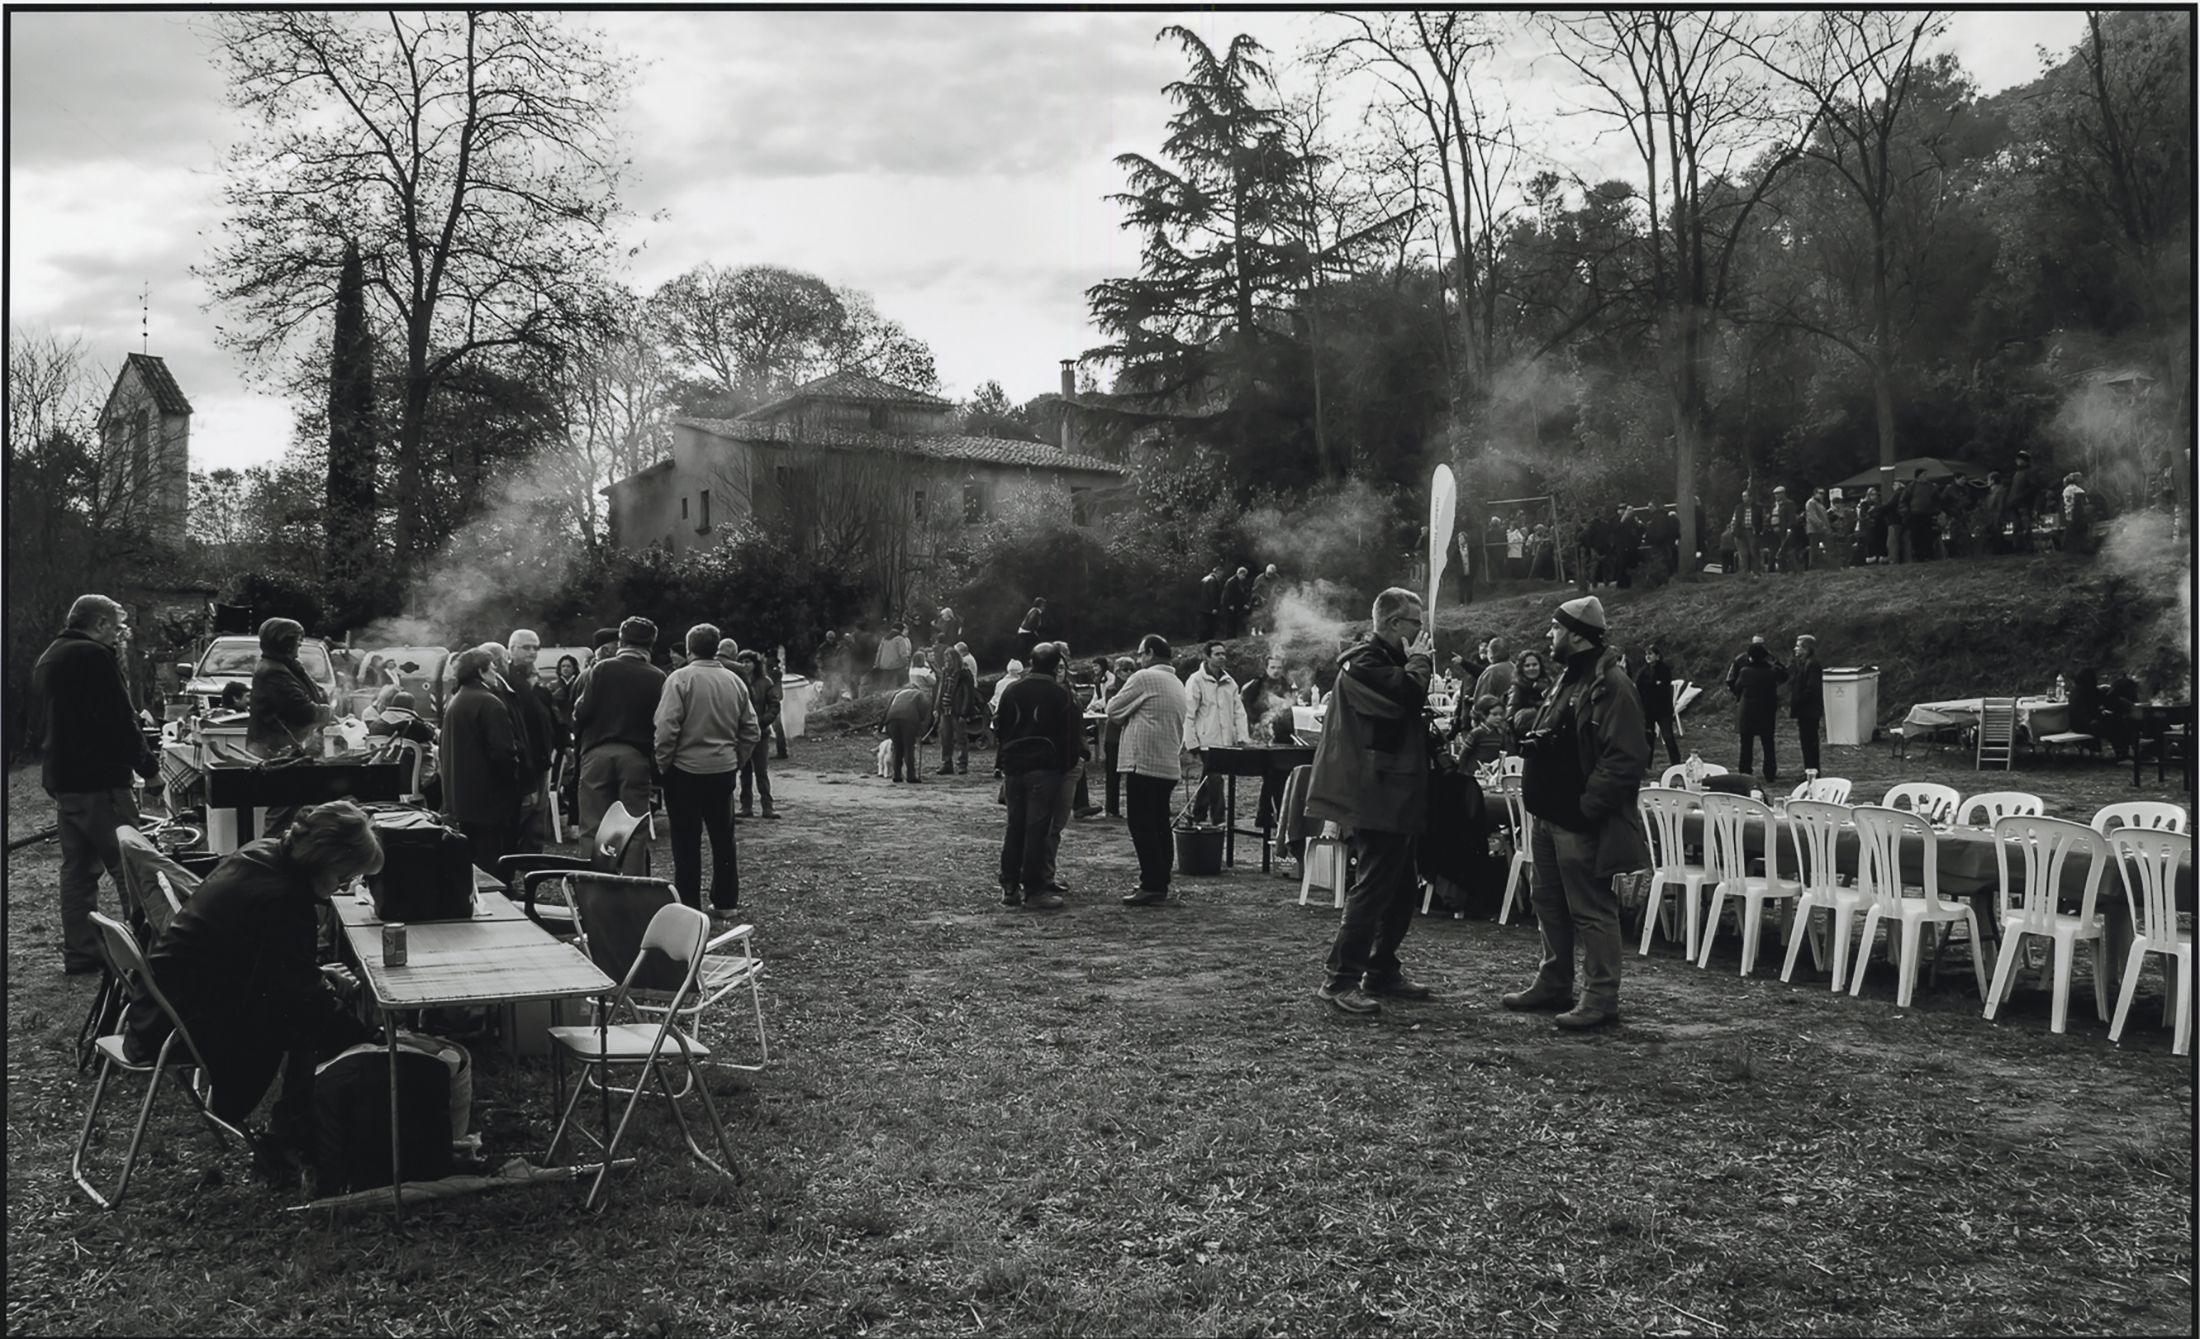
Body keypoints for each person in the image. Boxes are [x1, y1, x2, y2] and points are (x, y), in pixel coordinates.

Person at [122, 800, 383, 1166]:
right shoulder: (284, 900)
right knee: (314, 1024)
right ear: (327, 860)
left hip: (159, 1004)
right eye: (345, 876)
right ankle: (290, 1135)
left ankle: (293, 1128)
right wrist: (366, 1038)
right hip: (180, 1022)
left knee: (314, 1011)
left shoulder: (262, 853)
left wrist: (317, 976)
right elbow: (295, 995)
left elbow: (250, 958)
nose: (346, 886)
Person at [1500, 595, 1651, 1031]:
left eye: (1555, 628)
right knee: (1548, 902)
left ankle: (1601, 997)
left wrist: (1587, 807)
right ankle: (1554, 982)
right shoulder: (1569, 678)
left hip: (1578, 819)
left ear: (1577, 635)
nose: (1549, 635)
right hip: (1549, 816)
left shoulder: (1613, 685)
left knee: (1590, 908)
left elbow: (1626, 759)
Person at [1307, 587, 1436, 1016]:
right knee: (1373, 887)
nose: (1422, 633)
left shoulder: (1380, 661)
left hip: (1393, 789)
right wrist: (1421, 660)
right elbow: (1407, 695)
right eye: (1416, 624)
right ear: (1395, 624)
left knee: (1400, 889)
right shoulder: (1365, 664)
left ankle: (1381, 969)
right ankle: (1340, 979)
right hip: (1377, 791)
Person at [28, 594, 159, 974]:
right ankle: (146, 952)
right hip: (100, 779)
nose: (119, 636)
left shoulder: (51, 656)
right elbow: (119, 720)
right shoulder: (92, 656)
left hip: (65, 777)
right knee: (129, 865)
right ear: (99, 623)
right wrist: (149, 768)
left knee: (79, 870)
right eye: (116, 628)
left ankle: (83, 953)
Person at [654, 624, 759, 913]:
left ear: (689, 648)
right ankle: (726, 901)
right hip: (722, 769)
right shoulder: (734, 681)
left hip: (684, 771)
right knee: (723, 838)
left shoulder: (679, 679)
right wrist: (736, 760)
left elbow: (666, 727)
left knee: (686, 842)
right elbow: (751, 729)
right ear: (716, 648)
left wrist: (664, 763)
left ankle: (689, 905)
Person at [572, 617, 667, 864]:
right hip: (636, 756)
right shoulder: (658, 676)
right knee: (633, 825)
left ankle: (593, 886)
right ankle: (631, 887)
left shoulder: (601, 669)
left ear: (621, 641)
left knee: (593, 824)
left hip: (597, 752)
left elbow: (582, 712)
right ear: (651, 644)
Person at [995, 644, 1079, 910]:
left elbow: (1000, 727)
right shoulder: (1059, 693)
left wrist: (1006, 761)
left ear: (1031, 661)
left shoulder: (1012, 690)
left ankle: (1009, 886)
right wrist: (1065, 765)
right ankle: (1034, 890)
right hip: (1045, 768)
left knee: (1014, 826)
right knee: (1037, 829)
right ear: (1056, 666)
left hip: (1015, 767)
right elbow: (1069, 734)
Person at [1106, 635, 1188, 904]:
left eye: (1141, 654)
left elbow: (1113, 709)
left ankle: (1151, 883)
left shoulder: (1144, 678)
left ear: (1150, 654)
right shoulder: (1177, 682)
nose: (1139, 659)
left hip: (1143, 762)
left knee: (1142, 825)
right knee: (1160, 824)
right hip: (1167, 764)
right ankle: (1160, 880)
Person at [440, 647, 526, 872]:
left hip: (462, 798)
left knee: (474, 862)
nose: (496, 673)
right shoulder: (489, 702)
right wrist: (514, 782)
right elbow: (503, 752)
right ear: (481, 671)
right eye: (493, 668)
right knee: (492, 862)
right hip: (488, 800)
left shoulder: (457, 700)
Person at [1183, 642, 1251, 825]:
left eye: (1223, 654)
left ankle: (1198, 814)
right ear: (1207, 657)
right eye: (1217, 654)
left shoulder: (1230, 682)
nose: (1222, 657)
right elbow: (1188, 712)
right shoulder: (1196, 680)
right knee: (1215, 778)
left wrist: (1243, 737)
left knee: (1209, 777)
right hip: (1205, 739)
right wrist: (1191, 741)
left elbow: (1239, 712)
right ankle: (1219, 817)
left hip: (1225, 740)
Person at [247, 617, 332, 758]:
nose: (300, 644)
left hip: (280, 748)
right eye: (297, 640)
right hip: (274, 751)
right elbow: (303, 711)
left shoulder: (285, 666)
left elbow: (317, 693)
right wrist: (329, 712)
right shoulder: (273, 672)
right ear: (285, 642)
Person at [505, 630, 556, 854]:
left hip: (541, 755)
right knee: (523, 810)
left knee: (538, 813)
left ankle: (531, 860)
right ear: (512, 649)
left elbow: (549, 712)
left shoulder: (535, 679)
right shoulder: (507, 679)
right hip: (523, 755)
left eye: (536, 647)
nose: (533, 652)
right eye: (527, 647)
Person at [1726, 635, 1789, 782]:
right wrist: (1774, 661)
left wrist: (1740, 696)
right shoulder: (1771, 671)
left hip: (1747, 709)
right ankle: (1770, 772)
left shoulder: (1745, 671)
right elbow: (1784, 676)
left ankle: (1745, 772)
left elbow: (1736, 686)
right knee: (1768, 743)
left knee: (1746, 744)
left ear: (1750, 657)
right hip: (1766, 709)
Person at [732, 647, 780, 819]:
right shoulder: (736, 681)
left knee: (761, 771)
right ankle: (746, 807)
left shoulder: (765, 682)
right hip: (742, 732)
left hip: (761, 732)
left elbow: (774, 705)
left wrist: (762, 721)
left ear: (755, 664)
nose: (745, 665)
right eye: (742, 662)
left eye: (748, 662)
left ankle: (768, 807)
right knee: (744, 771)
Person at [1100, 655, 1138, 816]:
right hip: (1114, 736)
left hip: (1130, 736)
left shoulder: (1137, 687)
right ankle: (1111, 808)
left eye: (1131, 669)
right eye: (1125, 669)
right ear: (1117, 671)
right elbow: (1115, 710)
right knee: (1112, 774)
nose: (1128, 673)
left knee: (1133, 775)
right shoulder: (1112, 688)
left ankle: (1133, 808)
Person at [1635, 642, 1682, 767]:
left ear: (1657, 656)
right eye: (1646, 654)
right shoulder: (1643, 671)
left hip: (1663, 710)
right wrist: (1653, 685)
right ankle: (1646, 765)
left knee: (1668, 737)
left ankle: (1676, 764)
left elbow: (1662, 687)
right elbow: (1639, 687)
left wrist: (1652, 686)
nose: (1648, 657)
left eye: (1650, 654)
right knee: (1648, 738)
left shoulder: (1664, 669)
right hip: (1648, 710)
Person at [932, 647, 976, 776]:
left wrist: (964, 713)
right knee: (945, 738)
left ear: (955, 659)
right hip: (944, 710)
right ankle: (946, 764)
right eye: (946, 659)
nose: (947, 662)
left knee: (961, 738)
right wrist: (936, 707)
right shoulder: (945, 672)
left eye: (949, 660)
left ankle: (962, 764)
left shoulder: (964, 673)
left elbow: (968, 694)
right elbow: (940, 690)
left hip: (957, 711)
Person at [880, 677, 932, 784]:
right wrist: (922, 729)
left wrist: (881, 727)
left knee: (897, 748)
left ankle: (897, 775)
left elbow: (887, 710)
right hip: (908, 721)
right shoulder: (919, 694)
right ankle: (910, 776)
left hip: (892, 720)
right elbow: (925, 711)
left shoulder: (897, 694)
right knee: (908, 748)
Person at [1790, 634, 1826, 775]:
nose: (1795, 649)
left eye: (1798, 646)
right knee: (1807, 742)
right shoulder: (1805, 663)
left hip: (1809, 711)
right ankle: (1809, 769)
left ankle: (1813, 770)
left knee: (1809, 742)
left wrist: (1799, 699)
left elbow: (1812, 689)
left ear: (1806, 648)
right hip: (1806, 710)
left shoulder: (1812, 664)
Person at [1506, 649, 1551, 742]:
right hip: (1526, 739)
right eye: (1527, 666)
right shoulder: (1517, 687)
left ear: (1540, 666)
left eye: (1534, 664)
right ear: (1521, 668)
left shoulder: (1549, 683)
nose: (1531, 668)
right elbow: (1510, 718)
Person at [1903, 468, 1939, 562]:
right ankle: (1919, 556)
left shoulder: (1930, 486)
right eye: (1924, 475)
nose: (1926, 477)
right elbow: (1904, 500)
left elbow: (1936, 498)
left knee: (1928, 534)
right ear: (1918, 476)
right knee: (1916, 535)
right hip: (1915, 514)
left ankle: (1928, 554)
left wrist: (1935, 510)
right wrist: (1907, 513)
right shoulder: (1912, 486)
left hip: (1927, 513)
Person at [1472, 636, 1516, 706]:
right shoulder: (1514, 668)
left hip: (1495, 712)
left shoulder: (1491, 672)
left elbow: (1481, 701)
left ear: (1491, 653)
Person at [872, 621, 912, 696]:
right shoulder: (899, 639)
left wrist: (877, 664)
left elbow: (879, 652)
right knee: (894, 688)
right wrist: (907, 663)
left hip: (884, 665)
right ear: (901, 629)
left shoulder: (885, 638)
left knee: (885, 687)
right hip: (896, 666)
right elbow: (903, 654)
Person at [1016, 597, 1050, 664]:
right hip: (1026, 632)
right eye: (1043, 605)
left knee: (1030, 647)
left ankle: (1031, 661)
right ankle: (1038, 661)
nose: (1044, 607)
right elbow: (1031, 624)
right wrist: (1035, 632)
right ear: (1040, 605)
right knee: (1037, 645)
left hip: (1025, 632)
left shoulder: (1034, 610)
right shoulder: (1036, 611)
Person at [1221, 566, 1252, 638]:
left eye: (1245, 575)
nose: (1244, 577)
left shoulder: (1240, 582)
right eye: (1243, 575)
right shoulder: (1231, 581)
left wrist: (1244, 604)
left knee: (1234, 622)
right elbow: (1228, 594)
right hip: (1229, 606)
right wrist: (1230, 604)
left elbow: (1241, 595)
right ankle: (1229, 637)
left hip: (1235, 606)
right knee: (1230, 623)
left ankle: (1233, 636)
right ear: (1239, 573)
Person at [1250, 563, 1280, 635]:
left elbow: (1280, 587)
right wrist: (1261, 598)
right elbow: (1254, 591)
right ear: (1266, 572)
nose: (1270, 576)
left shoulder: (1277, 578)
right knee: (1258, 615)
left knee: (1269, 615)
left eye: (1272, 574)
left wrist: (1278, 592)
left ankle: (1264, 630)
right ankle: (1254, 630)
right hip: (1260, 601)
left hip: (1271, 600)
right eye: (1269, 573)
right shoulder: (1259, 579)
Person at [1198, 565, 1224, 641]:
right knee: (1210, 625)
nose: (1221, 576)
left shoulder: (1204, 579)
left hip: (1202, 606)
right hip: (1210, 608)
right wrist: (1214, 607)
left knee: (1204, 625)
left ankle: (1202, 639)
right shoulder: (1213, 580)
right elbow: (1213, 594)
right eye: (1221, 573)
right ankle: (1208, 640)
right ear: (1218, 572)